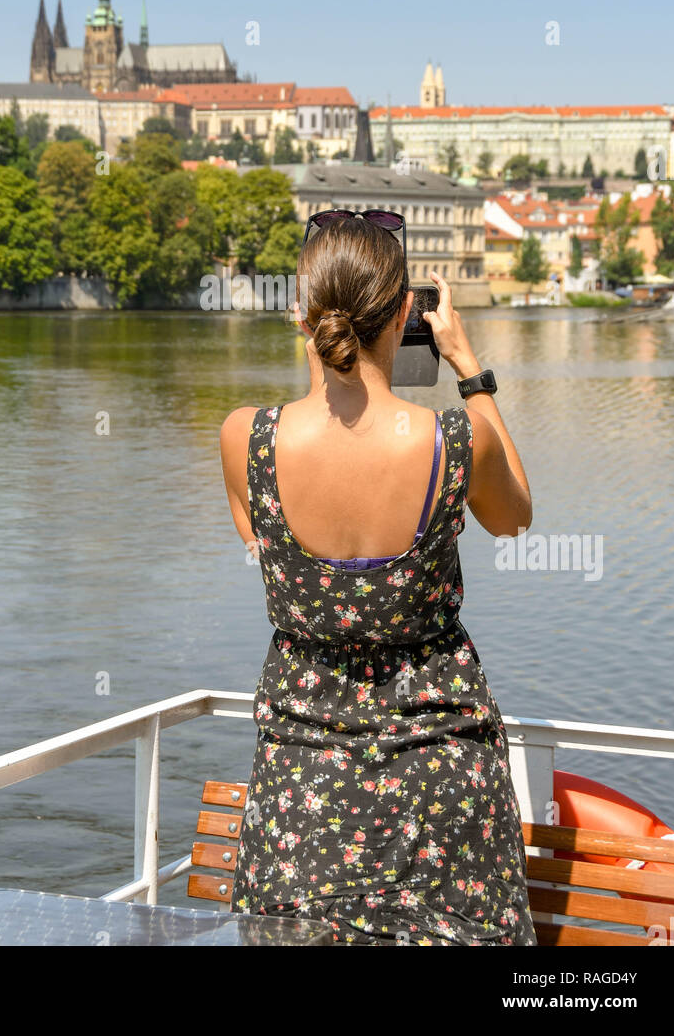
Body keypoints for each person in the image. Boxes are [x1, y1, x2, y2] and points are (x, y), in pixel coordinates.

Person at [219, 213, 536, 945]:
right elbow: (515, 516)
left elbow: (261, 544)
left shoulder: (245, 440)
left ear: (300, 313)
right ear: (407, 313)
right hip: (442, 788)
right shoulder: (456, 440)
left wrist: (318, 363)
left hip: (302, 792)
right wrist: (469, 370)